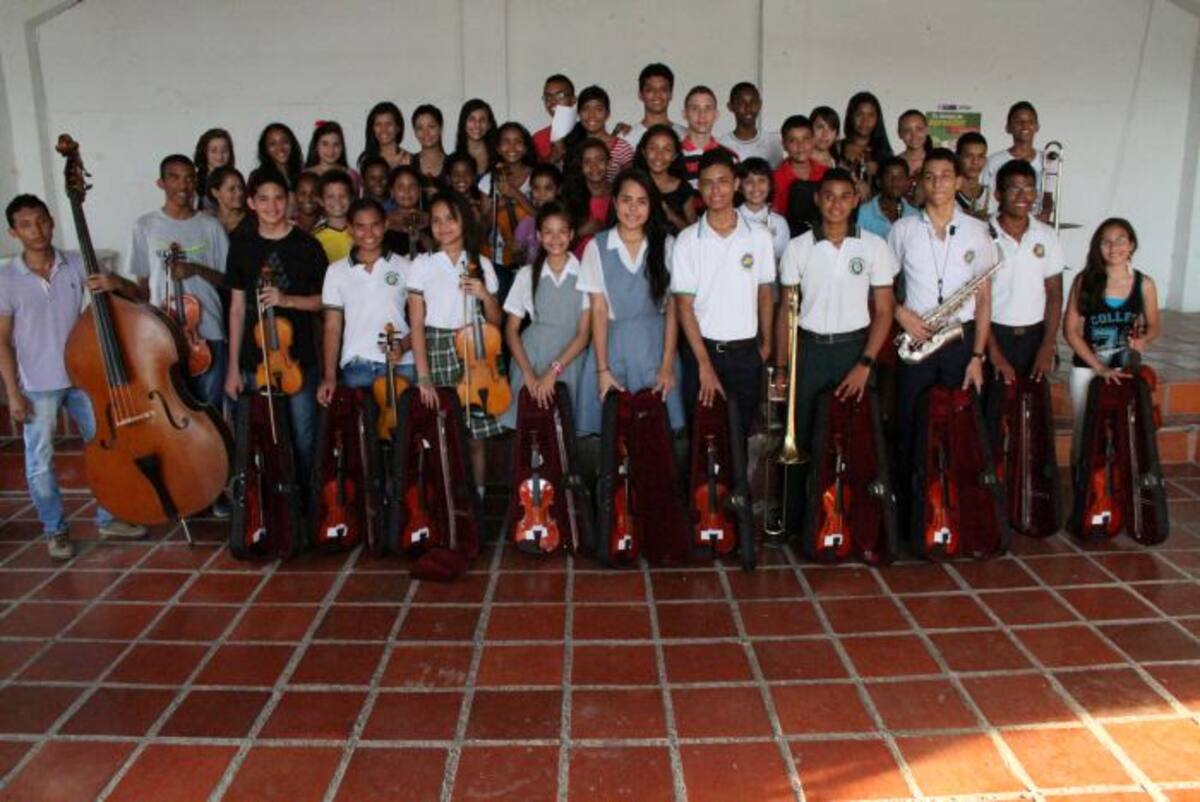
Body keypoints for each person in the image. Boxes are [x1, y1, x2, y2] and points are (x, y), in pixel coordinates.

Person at [0, 195, 147, 559]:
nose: (36, 230)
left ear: (52, 221)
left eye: (41, 221)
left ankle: (109, 516)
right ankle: (56, 530)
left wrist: (114, 281)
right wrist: (12, 393)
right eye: (26, 224)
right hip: (36, 385)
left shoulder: (76, 263)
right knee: (40, 460)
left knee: (108, 444)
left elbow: (136, 293)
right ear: (13, 232)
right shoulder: (6, 279)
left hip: (84, 378)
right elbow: (1, 340)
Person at [772, 169, 897, 545]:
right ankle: (796, 523)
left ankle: (854, 518)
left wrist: (865, 364)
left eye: (845, 196)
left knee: (854, 438)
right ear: (817, 199)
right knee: (802, 439)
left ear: (856, 199)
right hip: (809, 350)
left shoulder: (874, 246)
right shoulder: (798, 247)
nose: (837, 203)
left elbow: (886, 311)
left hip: (853, 351)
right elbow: (785, 312)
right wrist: (782, 366)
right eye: (829, 195)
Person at [887, 148, 996, 529]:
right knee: (909, 424)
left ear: (959, 181)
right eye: (930, 176)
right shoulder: (902, 230)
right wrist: (901, 315)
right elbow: (883, 286)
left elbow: (983, 298)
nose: (938, 183)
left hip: (959, 342)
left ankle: (954, 510)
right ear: (919, 183)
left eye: (946, 176)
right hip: (916, 339)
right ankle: (909, 516)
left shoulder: (977, 231)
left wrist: (978, 355)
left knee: (959, 427)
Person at [224, 168, 328, 483]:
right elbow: (238, 308)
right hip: (255, 361)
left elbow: (325, 300)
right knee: (265, 437)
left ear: (290, 200)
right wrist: (232, 368)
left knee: (303, 437)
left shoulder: (307, 246)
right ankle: (273, 507)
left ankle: (306, 510)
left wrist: (287, 300)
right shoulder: (242, 246)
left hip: (299, 358)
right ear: (252, 203)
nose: (272, 206)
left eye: (279, 198)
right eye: (264, 199)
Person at [673, 149, 775, 446]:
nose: (715, 190)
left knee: (739, 434)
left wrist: (766, 345)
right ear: (699, 188)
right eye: (707, 183)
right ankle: (702, 492)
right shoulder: (688, 240)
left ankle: (738, 492)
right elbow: (684, 307)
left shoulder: (758, 236)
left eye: (722, 181)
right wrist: (703, 364)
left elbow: (765, 292)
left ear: (736, 184)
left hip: (746, 354)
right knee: (703, 436)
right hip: (701, 352)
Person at [407, 191, 505, 498]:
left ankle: (477, 496)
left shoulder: (481, 263)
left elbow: (496, 321)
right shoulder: (422, 265)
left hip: (476, 350)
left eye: (450, 218)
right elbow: (417, 325)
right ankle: (446, 496)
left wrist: (483, 294)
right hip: (437, 347)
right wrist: (423, 376)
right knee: (443, 430)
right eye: (436, 220)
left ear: (464, 220)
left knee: (476, 435)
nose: (443, 226)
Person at [575, 169, 684, 434]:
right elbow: (598, 310)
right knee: (612, 434)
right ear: (614, 202)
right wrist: (602, 369)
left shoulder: (666, 245)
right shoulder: (597, 247)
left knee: (655, 433)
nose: (633, 208)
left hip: (655, 347)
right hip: (611, 347)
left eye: (642, 201)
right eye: (627, 200)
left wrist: (667, 364)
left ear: (651, 206)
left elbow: (673, 309)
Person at [125, 155, 230, 418]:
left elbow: (228, 281)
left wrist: (194, 269)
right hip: (164, 335)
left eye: (189, 177)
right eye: (174, 177)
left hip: (208, 332)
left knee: (210, 413)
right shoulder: (145, 226)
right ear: (161, 183)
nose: (183, 185)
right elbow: (142, 288)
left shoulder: (211, 225)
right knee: (170, 411)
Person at [1064, 218, 1159, 462]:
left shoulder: (1144, 284)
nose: (1113, 247)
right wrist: (1101, 368)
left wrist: (1144, 340)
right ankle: (1084, 492)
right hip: (1088, 369)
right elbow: (1071, 331)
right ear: (1098, 247)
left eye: (1120, 240)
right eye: (1106, 242)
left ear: (1132, 245)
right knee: (1085, 434)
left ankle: (1118, 490)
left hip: (1125, 369)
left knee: (1123, 433)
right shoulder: (1084, 281)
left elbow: (1154, 326)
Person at [500, 202, 590, 429]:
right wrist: (528, 372)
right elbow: (511, 330)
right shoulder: (527, 274)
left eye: (562, 231)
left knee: (564, 430)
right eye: (548, 232)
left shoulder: (586, 273)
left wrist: (553, 372)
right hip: (531, 358)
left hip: (570, 361)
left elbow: (584, 334)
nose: (555, 238)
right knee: (532, 430)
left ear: (571, 235)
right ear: (538, 236)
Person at [317, 198, 414, 407]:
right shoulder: (336, 271)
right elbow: (332, 327)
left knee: (404, 433)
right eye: (360, 226)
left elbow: (422, 320)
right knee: (365, 434)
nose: (369, 233)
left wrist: (403, 346)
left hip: (402, 364)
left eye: (375, 225)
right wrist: (330, 376)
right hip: (357, 365)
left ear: (386, 224)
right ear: (350, 229)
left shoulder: (405, 266)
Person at [986, 160, 1064, 388]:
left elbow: (1055, 294)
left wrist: (1048, 345)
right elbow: (976, 302)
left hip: (1035, 336)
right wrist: (993, 352)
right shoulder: (981, 234)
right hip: (993, 333)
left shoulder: (1047, 236)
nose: (1023, 196)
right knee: (993, 409)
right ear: (998, 194)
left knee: (1033, 408)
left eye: (1030, 188)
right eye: (1014, 188)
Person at [983, 101, 1048, 217]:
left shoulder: (1048, 161)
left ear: (1037, 126)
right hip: (1002, 224)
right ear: (1008, 128)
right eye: (1019, 122)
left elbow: (1050, 195)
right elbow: (987, 198)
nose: (1025, 125)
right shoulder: (994, 162)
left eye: (1030, 121)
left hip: (1036, 225)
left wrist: (1045, 213)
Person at [633, 124, 697, 235]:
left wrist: (673, 217)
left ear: (674, 156)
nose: (659, 155)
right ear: (644, 152)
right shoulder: (633, 185)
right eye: (653, 148)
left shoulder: (683, 189)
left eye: (667, 149)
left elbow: (694, 235)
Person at [834, 92, 893, 199]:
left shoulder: (884, 151)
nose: (865, 121)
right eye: (859, 114)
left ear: (877, 119)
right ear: (851, 116)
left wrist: (879, 173)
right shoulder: (837, 148)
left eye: (871, 115)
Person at [776, 115, 829, 236]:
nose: (800, 146)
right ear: (784, 144)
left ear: (813, 141)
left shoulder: (827, 174)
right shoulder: (774, 179)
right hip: (788, 240)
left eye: (806, 139)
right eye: (793, 140)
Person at [574, 85, 635, 181]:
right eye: (585, 109)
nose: (591, 115)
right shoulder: (574, 146)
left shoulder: (622, 148)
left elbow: (631, 183)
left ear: (607, 114)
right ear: (578, 113)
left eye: (598, 109)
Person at [619, 63, 687, 147]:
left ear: (671, 94)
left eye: (663, 89)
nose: (657, 94)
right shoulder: (626, 138)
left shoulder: (685, 135)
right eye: (650, 90)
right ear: (640, 95)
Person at [564, 138, 612, 257]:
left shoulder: (619, 193)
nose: (594, 166)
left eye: (599, 160)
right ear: (580, 166)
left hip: (610, 264)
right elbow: (555, 241)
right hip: (576, 266)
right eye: (587, 161)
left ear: (609, 163)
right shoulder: (569, 196)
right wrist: (581, 232)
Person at [736, 157, 789, 264]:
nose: (756, 187)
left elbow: (782, 258)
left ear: (770, 185)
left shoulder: (779, 222)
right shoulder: (731, 218)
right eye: (749, 182)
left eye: (761, 180)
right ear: (740, 187)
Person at [718, 82, 784, 167]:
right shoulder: (722, 145)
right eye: (742, 103)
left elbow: (776, 177)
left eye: (753, 102)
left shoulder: (772, 144)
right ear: (730, 106)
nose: (748, 108)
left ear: (760, 104)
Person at [679, 86, 733, 187]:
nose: (702, 114)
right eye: (695, 108)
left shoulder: (730, 157)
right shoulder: (672, 156)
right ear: (685, 114)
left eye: (707, 108)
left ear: (716, 114)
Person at [512, 163, 563, 265]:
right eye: (536, 188)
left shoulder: (564, 219)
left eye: (548, 188)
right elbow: (516, 254)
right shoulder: (527, 222)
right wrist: (518, 253)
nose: (542, 194)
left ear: (558, 190)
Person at [856, 156, 919, 239]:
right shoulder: (862, 214)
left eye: (900, 177)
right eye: (889, 177)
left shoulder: (915, 215)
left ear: (908, 182)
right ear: (879, 182)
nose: (895, 181)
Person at [384, 165, 432, 259]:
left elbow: (440, 253)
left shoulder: (433, 219)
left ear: (420, 190)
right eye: (401, 187)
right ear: (392, 192)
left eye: (412, 186)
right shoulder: (382, 221)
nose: (407, 191)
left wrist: (422, 237)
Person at [312, 170, 355, 264]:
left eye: (343, 195)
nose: (337, 201)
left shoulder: (361, 230)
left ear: (351, 198)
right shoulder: (315, 238)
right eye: (330, 196)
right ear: (320, 201)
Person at [532, 74, 576, 163]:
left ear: (573, 100)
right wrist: (554, 157)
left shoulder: (586, 133)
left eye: (560, 96)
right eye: (548, 97)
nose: (553, 102)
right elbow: (535, 174)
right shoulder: (538, 139)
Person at [305, 120, 360, 188]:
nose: (331, 150)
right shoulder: (305, 175)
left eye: (336, 144)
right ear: (316, 146)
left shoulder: (351, 175)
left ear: (342, 147)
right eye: (325, 144)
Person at [359, 102, 412, 171]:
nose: (383, 129)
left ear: (398, 128)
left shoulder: (410, 159)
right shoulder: (366, 159)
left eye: (388, 124)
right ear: (372, 129)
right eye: (378, 124)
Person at [205, 165, 254, 239]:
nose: (239, 193)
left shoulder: (254, 221)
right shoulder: (207, 220)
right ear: (215, 192)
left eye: (241, 188)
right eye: (232, 189)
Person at [455, 99, 498, 178]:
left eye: (482, 120)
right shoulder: (453, 160)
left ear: (489, 125)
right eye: (472, 119)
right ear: (463, 123)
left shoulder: (499, 156)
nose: (477, 125)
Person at [194, 128, 235, 211]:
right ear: (204, 153)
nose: (220, 156)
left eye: (224, 151)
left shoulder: (236, 179)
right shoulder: (195, 181)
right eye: (214, 151)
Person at [897, 109, 933, 201]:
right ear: (899, 133)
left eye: (919, 129)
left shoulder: (936, 162)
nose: (914, 135)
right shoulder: (894, 164)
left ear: (927, 130)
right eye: (907, 130)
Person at [257, 122, 303, 190]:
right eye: (273, 144)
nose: (280, 148)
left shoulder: (301, 174)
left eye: (284, 141)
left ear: (292, 143)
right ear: (265, 149)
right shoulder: (259, 177)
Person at [955, 131, 990, 218]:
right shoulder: (946, 194)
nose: (975, 162)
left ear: (985, 159)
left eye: (980, 156)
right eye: (969, 156)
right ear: (957, 157)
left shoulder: (993, 196)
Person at [412, 104, 447, 181]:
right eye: (420, 128)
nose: (426, 133)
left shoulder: (452, 163)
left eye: (431, 126)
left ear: (440, 128)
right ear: (415, 132)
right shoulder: (408, 163)